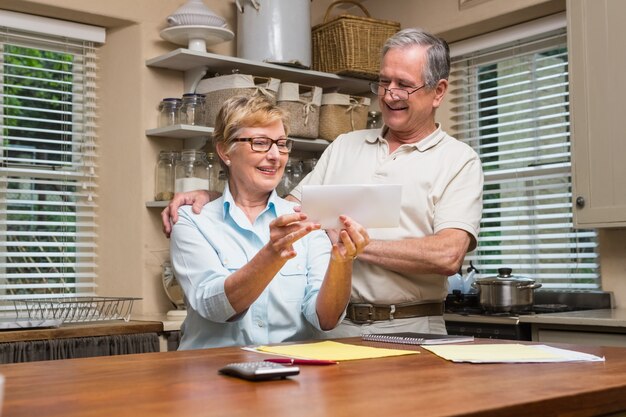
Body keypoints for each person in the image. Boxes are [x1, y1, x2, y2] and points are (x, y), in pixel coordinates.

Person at [163, 27, 483, 337]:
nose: (390, 94)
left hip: (410, 324)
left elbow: (447, 256)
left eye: (404, 84)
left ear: (438, 91)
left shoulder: (458, 160)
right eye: (384, 81)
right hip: (330, 327)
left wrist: (353, 246)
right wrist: (217, 195)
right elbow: (287, 214)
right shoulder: (344, 145)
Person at [169, 94, 369, 349]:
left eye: (282, 143)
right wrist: (271, 256)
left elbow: (325, 320)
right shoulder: (192, 220)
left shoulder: (305, 219)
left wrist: (341, 262)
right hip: (214, 378)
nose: (276, 155)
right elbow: (215, 307)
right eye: (260, 143)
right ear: (225, 150)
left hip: (293, 376)